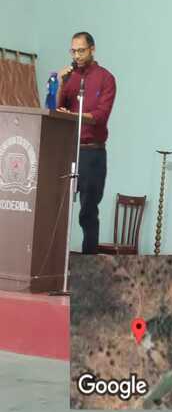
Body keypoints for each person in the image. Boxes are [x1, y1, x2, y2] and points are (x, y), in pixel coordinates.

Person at [57, 32, 117, 254]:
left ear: (92, 49)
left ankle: (88, 262)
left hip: (92, 153)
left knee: (88, 212)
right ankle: (55, 263)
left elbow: (101, 116)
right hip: (68, 149)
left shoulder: (106, 78)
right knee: (58, 207)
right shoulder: (70, 77)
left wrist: (75, 116)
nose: (77, 56)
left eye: (81, 50)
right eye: (73, 51)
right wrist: (61, 85)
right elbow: (57, 108)